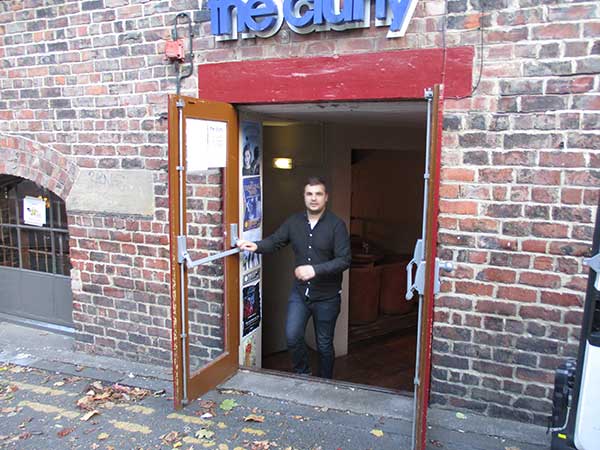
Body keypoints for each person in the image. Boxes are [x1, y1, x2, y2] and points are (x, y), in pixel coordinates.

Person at [236, 177, 351, 379]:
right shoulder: (294, 222)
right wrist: (257, 246)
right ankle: (303, 375)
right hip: (300, 294)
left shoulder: (336, 226)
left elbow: (345, 260)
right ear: (304, 197)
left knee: (324, 344)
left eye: (318, 194)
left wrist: (315, 270)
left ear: (326, 198)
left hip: (327, 297)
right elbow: (276, 241)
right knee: (292, 336)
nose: (314, 198)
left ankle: (324, 383)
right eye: (309, 194)